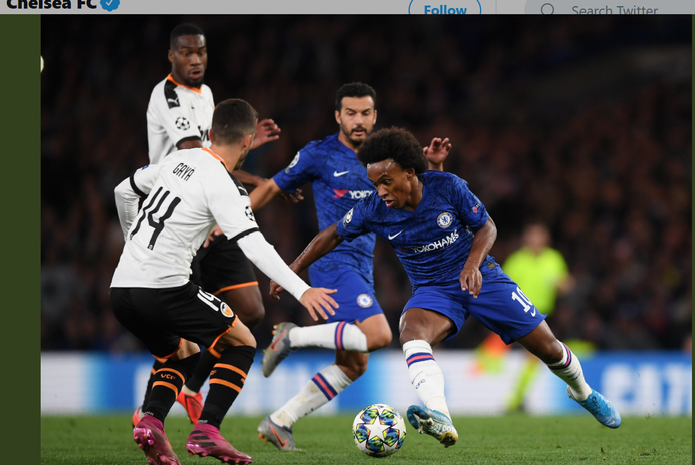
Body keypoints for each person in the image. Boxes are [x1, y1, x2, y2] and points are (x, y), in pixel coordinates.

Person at [269, 127, 621, 449]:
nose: (381, 191)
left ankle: (583, 392)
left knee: (551, 351)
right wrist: (292, 269)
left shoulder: (447, 187)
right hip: (434, 290)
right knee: (411, 331)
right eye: (375, 183)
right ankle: (441, 416)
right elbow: (331, 233)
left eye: (387, 181)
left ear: (410, 173)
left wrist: (471, 264)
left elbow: (487, 228)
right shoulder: (374, 208)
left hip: (483, 279)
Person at [111, 99, 338, 465]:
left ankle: (151, 420)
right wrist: (302, 288)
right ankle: (207, 431)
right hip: (164, 288)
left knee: (182, 352)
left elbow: (124, 191)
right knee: (242, 340)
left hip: (121, 289)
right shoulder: (225, 184)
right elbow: (254, 246)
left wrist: (132, 244)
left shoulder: (175, 160)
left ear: (212, 134)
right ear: (248, 143)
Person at [247, 83, 450, 451]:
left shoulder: (385, 160)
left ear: (375, 115)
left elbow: (428, 192)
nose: (359, 120)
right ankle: (291, 337)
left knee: (355, 365)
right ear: (338, 116)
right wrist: (229, 221)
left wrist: (434, 164)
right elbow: (273, 187)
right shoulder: (319, 154)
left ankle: (280, 421)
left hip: (362, 266)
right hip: (332, 263)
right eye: (351, 113)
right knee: (380, 336)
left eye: (366, 113)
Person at [134, 23, 295, 427]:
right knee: (180, 340)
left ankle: (190, 391)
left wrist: (246, 142)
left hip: (213, 215)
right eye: (186, 52)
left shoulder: (206, 96)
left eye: (201, 52)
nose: (195, 59)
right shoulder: (166, 95)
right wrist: (262, 180)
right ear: (171, 56)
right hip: (180, 221)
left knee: (250, 309)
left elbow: (217, 149)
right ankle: (149, 413)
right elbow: (197, 156)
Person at [501, 222, 575, 412]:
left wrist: (563, 284)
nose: (535, 240)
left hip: (545, 315)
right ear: (525, 239)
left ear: (546, 239)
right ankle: (515, 400)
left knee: (533, 357)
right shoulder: (516, 261)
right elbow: (501, 287)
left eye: (539, 236)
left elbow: (565, 284)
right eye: (531, 236)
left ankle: (517, 399)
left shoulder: (553, 259)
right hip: (520, 314)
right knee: (533, 357)